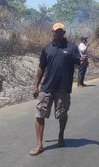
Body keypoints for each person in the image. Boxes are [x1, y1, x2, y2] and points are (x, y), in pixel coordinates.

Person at [30, 23, 81, 156]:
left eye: (60, 31)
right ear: (52, 32)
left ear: (64, 33)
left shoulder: (71, 48)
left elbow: (80, 62)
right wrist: (36, 86)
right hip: (47, 88)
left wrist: (85, 60)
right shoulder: (47, 49)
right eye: (55, 31)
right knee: (39, 114)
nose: (58, 33)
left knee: (62, 115)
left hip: (63, 89)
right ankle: (39, 145)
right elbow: (41, 67)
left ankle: (61, 135)